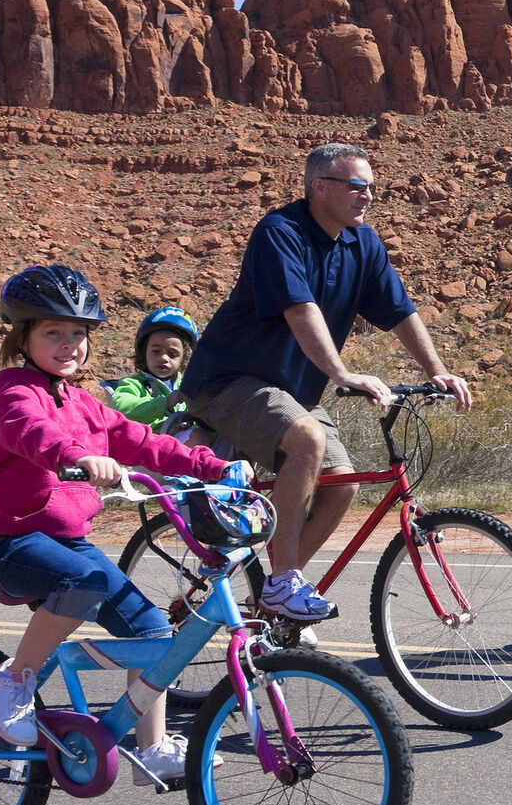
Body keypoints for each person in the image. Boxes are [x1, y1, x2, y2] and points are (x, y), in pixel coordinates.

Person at [0, 265, 239, 784]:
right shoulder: (13, 391)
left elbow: (145, 441)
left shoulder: (87, 404)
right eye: (53, 333)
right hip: (8, 540)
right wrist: (77, 456)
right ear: (22, 338)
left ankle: (152, 749)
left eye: (78, 335)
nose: (69, 344)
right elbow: (32, 432)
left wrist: (216, 467)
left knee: (155, 631)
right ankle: (14, 678)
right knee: (83, 582)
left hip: (66, 541)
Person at [180, 142, 472, 620]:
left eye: (373, 187)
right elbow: (300, 309)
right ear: (320, 187)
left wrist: (435, 371)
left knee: (342, 483)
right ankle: (282, 585)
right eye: (357, 186)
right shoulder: (281, 232)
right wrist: (341, 374)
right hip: (229, 381)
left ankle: (275, 596)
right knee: (308, 440)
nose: (369, 196)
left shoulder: (363, 243)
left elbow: (400, 312)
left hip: (290, 392)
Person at [100, 306, 198, 427]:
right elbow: (120, 405)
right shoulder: (134, 383)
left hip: (184, 439)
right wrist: (164, 403)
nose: (164, 358)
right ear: (144, 351)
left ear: (184, 358)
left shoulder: (185, 386)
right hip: (151, 442)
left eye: (173, 354)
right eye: (156, 351)